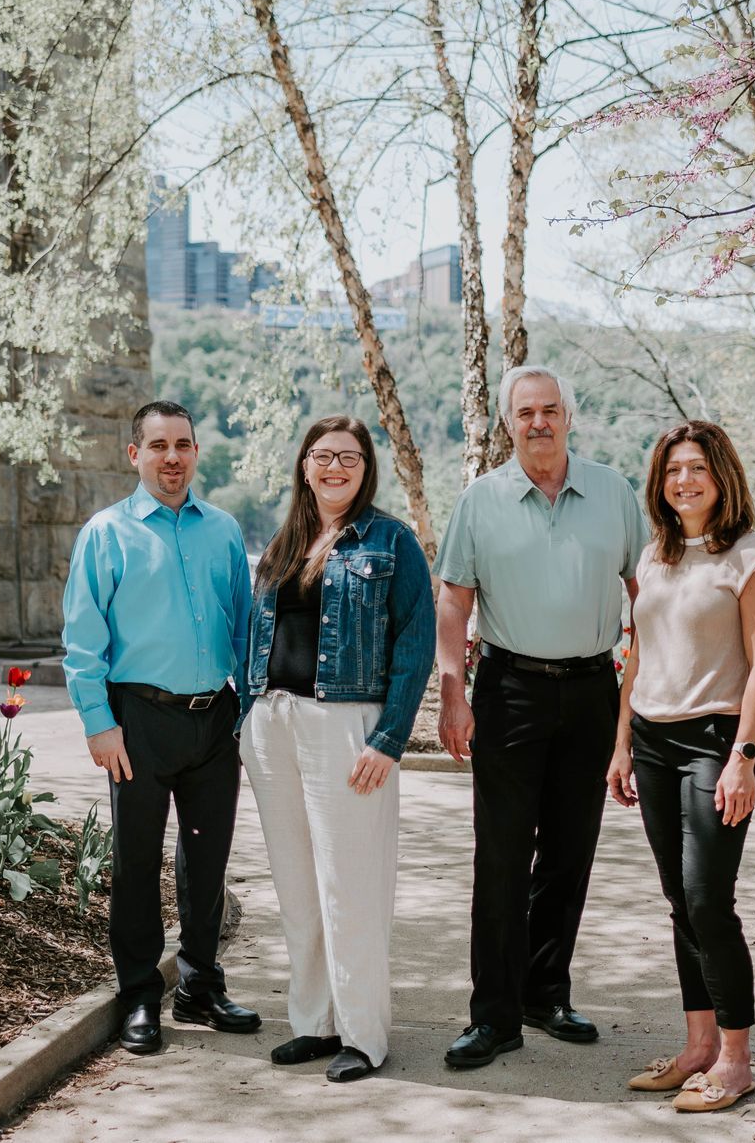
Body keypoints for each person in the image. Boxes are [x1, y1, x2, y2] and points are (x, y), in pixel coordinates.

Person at [434, 364, 651, 1070]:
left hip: (591, 689)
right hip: (509, 690)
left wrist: (637, 709)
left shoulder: (614, 494)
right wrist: (453, 693)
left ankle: (545, 993)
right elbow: (453, 600)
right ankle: (493, 1016)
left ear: (568, 416)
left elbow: (648, 595)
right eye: (525, 412)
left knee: (568, 853)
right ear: (508, 423)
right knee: (501, 857)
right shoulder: (481, 500)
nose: (539, 422)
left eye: (550, 409)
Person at [62, 399, 262, 1057]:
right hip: (137, 720)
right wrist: (99, 723)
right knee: (137, 861)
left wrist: (249, 710)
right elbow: (82, 639)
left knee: (207, 860)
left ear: (196, 452)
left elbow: (244, 627)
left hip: (215, 720)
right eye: (158, 445)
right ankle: (140, 995)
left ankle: (200, 984)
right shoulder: (106, 533)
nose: (171, 457)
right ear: (135, 454)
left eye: (182, 445)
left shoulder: (223, 530)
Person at [238, 415, 435, 1083]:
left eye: (349, 457)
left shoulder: (391, 541)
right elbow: (255, 633)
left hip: (346, 726)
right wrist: (247, 716)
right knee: (297, 888)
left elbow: (415, 643)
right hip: (275, 725)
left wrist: (389, 738)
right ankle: (315, 1023)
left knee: (350, 887)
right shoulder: (284, 542)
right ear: (305, 465)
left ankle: (363, 1035)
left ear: (365, 468)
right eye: (323, 455)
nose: (334, 467)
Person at [606, 420, 755, 1113]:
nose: (684, 480)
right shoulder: (656, 557)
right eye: (673, 469)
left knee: (709, 899)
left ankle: (737, 1061)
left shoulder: (751, 560)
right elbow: (639, 657)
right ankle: (698, 1047)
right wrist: (622, 744)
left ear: (722, 478)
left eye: (698, 469)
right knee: (680, 900)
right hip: (652, 741)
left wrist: (744, 755)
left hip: (716, 742)